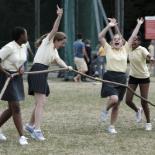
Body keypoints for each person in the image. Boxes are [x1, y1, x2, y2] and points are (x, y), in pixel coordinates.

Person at [25, 5, 72, 141]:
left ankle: (29, 125)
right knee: (40, 103)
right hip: (38, 70)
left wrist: (67, 67)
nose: (63, 45)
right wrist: (59, 16)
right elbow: (55, 29)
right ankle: (37, 130)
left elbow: (59, 61)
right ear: (56, 40)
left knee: (41, 101)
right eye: (62, 43)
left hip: (42, 73)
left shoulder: (54, 51)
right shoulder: (47, 42)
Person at [99, 18, 142, 134]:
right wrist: (109, 26)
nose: (117, 40)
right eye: (114, 39)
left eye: (119, 39)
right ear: (112, 42)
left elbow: (133, 36)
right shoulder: (108, 48)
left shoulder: (125, 49)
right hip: (109, 77)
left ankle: (112, 126)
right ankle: (105, 110)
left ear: (122, 42)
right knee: (114, 99)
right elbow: (100, 37)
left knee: (117, 105)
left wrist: (138, 24)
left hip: (122, 78)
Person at [0, 27, 28, 145]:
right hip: (6, 77)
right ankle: (22, 136)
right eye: (26, 34)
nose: (27, 36)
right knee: (16, 107)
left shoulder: (24, 47)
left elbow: (22, 61)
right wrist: (6, 73)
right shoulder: (9, 47)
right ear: (21, 36)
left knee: (12, 109)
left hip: (16, 77)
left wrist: (22, 68)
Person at [125, 20, 154, 131]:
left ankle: (148, 122)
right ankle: (138, 110)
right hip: (133, 77)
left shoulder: (142, 49)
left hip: (144, 78)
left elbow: (148, 56)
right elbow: (123, 40)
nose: (134, 41)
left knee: (144, 101)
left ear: (140, 42)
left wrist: (150, 58)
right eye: (133, 39)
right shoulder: (128, 49)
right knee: (128, 100)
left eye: (137, 40)